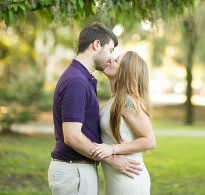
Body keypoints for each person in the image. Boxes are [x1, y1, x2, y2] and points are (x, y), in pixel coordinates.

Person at [48, 22, 143, 195]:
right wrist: (111, 159)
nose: (111, 57)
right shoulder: (77, 81)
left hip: (78, 170)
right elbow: (72, 136)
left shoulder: (83, 79)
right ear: (97, 44)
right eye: (111, 50)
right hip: (74, 171)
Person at [90, 51, 156, 194]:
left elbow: (149, 141)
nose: (110, 60)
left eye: (116, 60)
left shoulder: (128, 101)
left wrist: (112, 149)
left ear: (126, 71)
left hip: (129, 180)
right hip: (117, 179)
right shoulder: (114, 99)